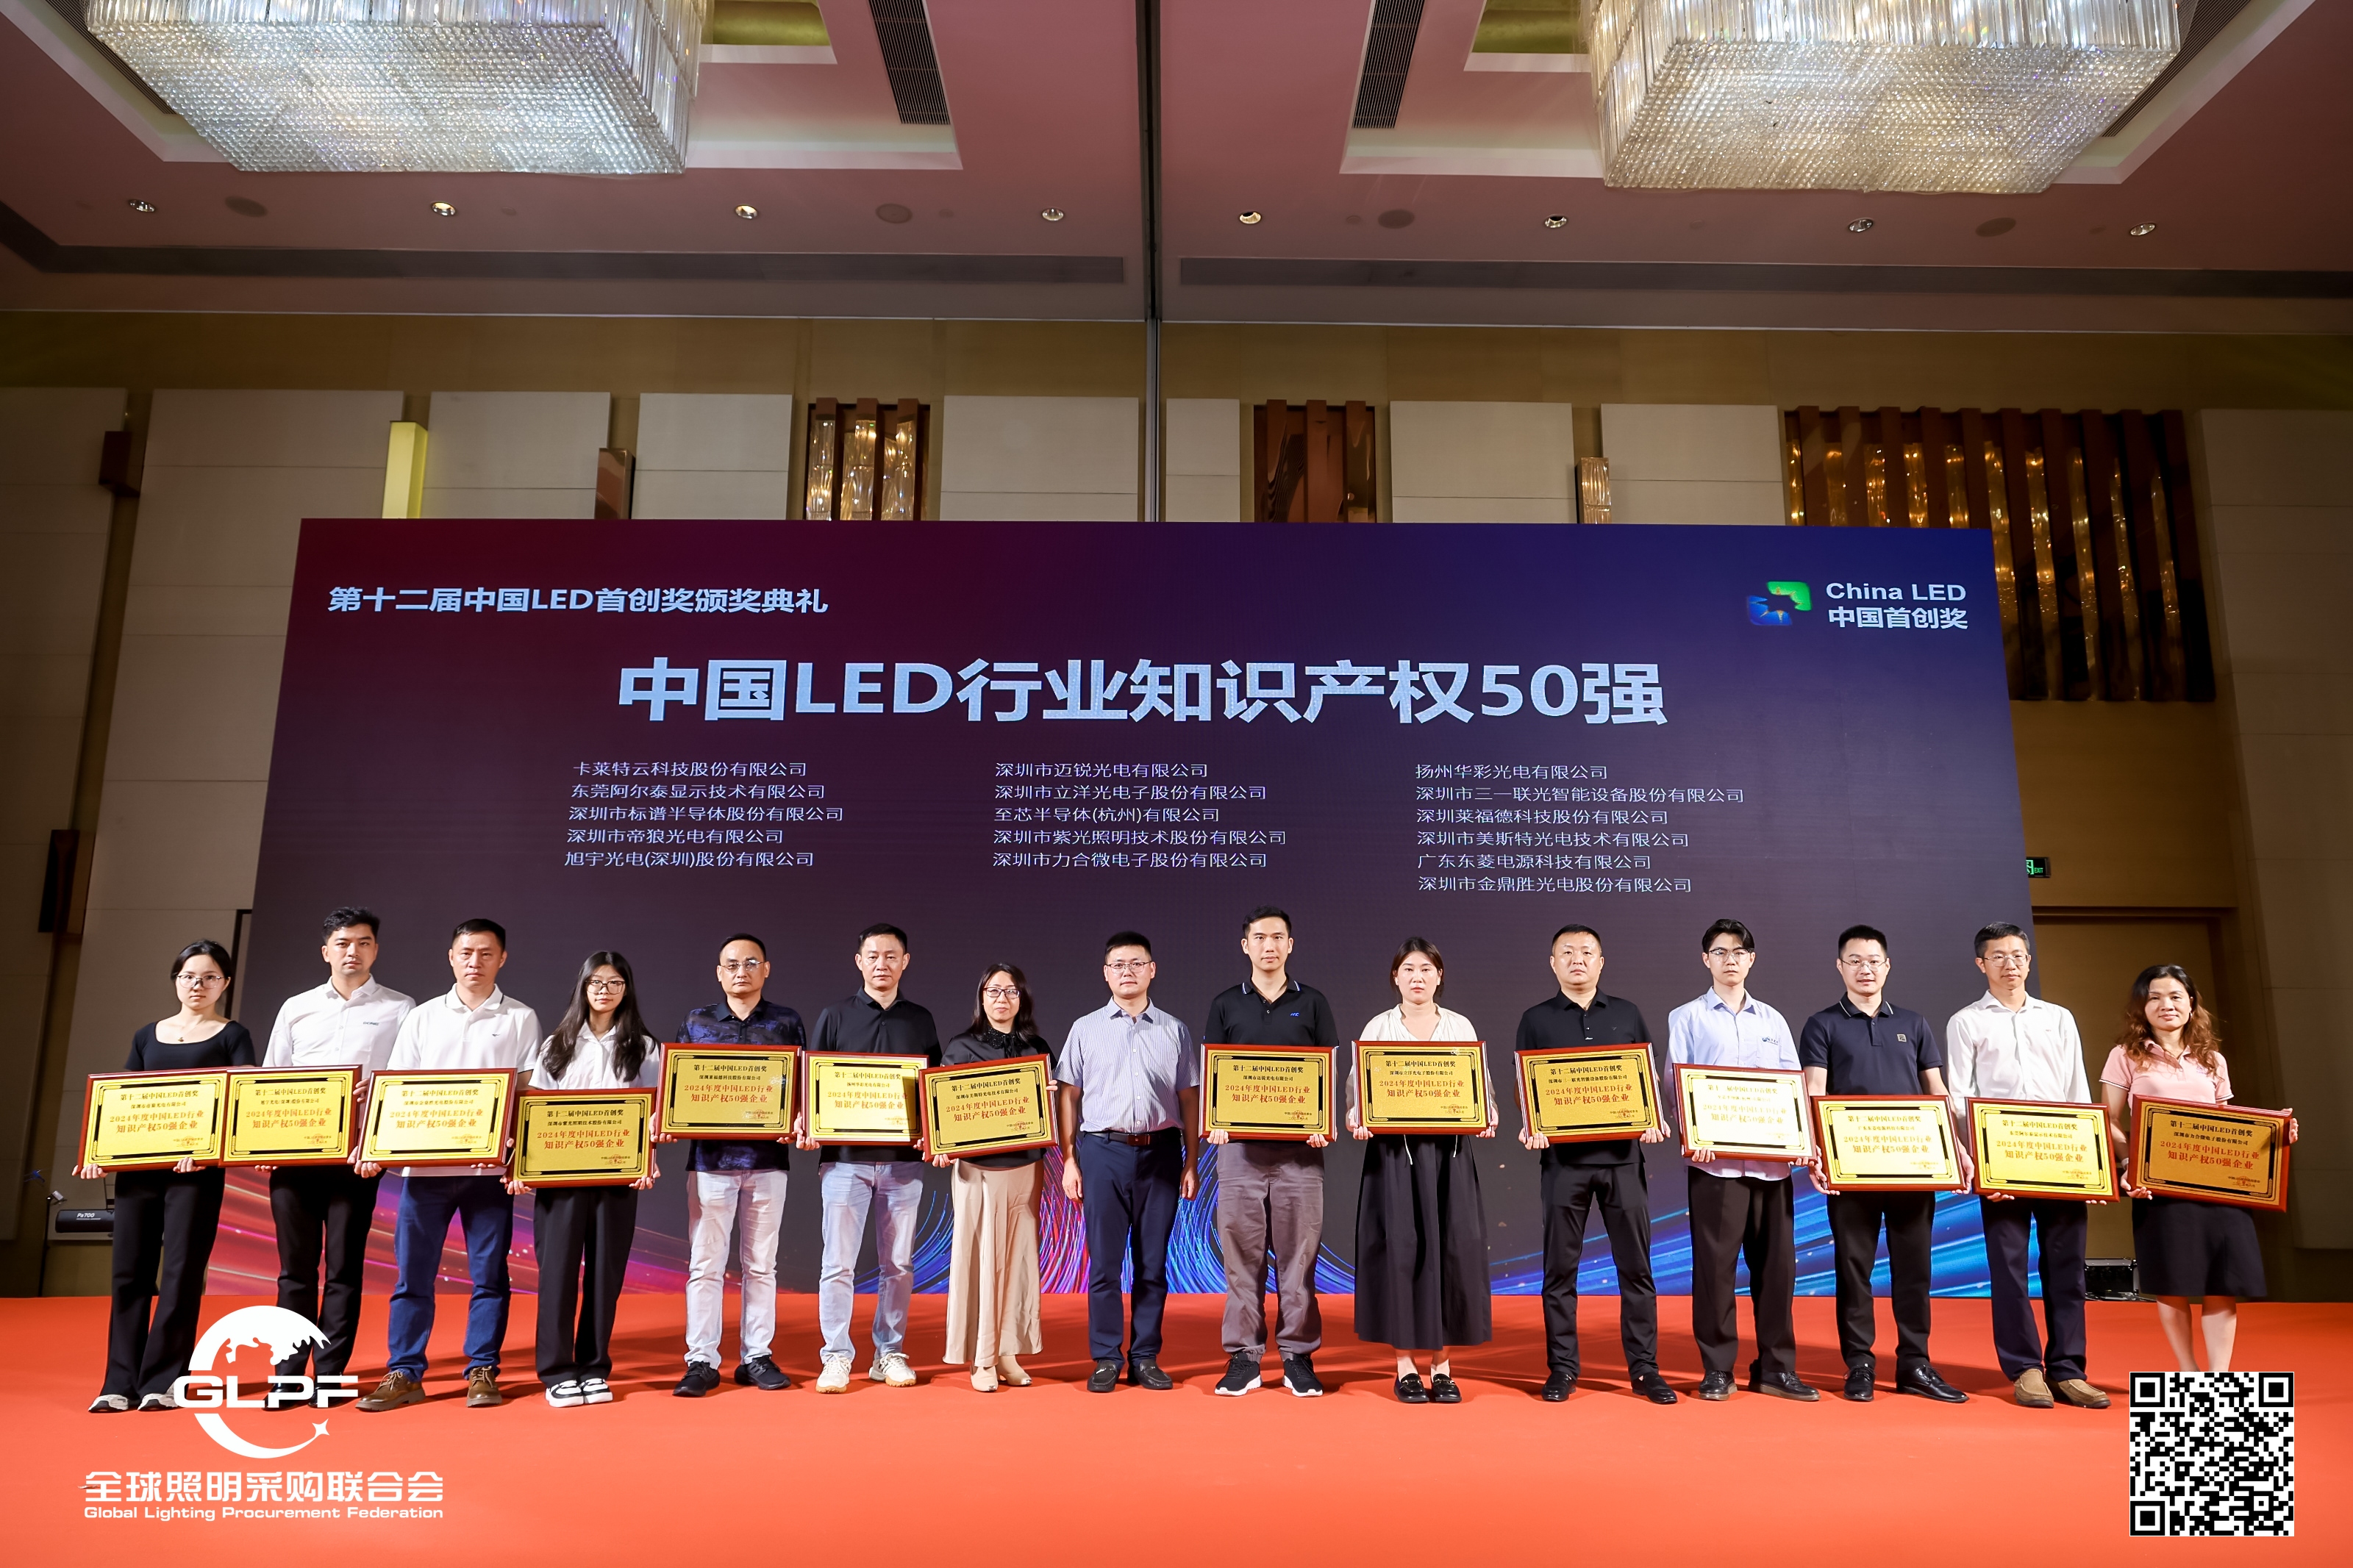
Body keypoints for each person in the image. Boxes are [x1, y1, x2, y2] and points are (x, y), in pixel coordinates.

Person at [356, 919, 540, 1413]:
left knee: (490, 1276)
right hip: (424, 1173)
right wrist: (376, 1148)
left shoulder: (521, 1017)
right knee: (412, 1277)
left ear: (502, 958)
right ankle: (404, 1371)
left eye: (486, 953)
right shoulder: (423, 1016)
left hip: (488, 1174)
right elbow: (395, 1090)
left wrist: (517, 1159)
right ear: (451, 957)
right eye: (466, 953)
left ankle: (482, 1368)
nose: (474, 962)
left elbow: (526, 1093)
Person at [85, 941, 256, 1412]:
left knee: (180, 1273)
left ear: (225, 983)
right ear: (176, 980)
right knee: (129, 1273)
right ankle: (118, 1382)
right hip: (140, 1172)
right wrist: (100, 1153)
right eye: (188, 976)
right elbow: (123, 1102)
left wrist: (207, 1152)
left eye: (209, 977)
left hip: (195, 1173)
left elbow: (243, 1103)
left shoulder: (233, 1036)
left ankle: (164, 1380)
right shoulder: (147, 1036)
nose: (197, 985)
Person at [1799, 924, 1967, 1404]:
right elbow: (1813, 1092)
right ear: (1840, 967)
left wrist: (1956, 1148)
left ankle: (1916, 1363)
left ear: (1887, 966)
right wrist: (1816, 1152)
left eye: (1874, 960)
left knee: (1914, 1269)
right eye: (1855, 960)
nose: (1865, 969)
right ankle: (1860, 1364)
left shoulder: (1914, 1023)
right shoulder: (1822, 1024)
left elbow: (1937, 1091)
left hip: (1914, 1165)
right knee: (1854, 1269)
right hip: (1850, 1167)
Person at [2100, 964, 2297, 1373]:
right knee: (2172, 1283)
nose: (2166, 1005)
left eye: (2175, 996)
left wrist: (2274, 1135)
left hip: (2217, 1187)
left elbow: (2228, 1126)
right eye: (2155, 997)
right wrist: (2129, 1166)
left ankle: (2219, 1377)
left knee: (2222, 1282)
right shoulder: (2125, 1055)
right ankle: (2189, 1374)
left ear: (2191, 1003)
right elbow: (2111, 1121)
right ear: (2142, 1007)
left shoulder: (2213, 1059)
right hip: (2159, 1187)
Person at [1944, 923, 2108, 1410]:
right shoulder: (1966, 1022)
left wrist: (2092, 1166)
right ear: (1982, 964)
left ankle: (2068, 1369)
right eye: (1998, 956)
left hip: (2061, 1159)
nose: (2010, 964)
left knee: (2067, 1268)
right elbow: (1959, 1098)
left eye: (2018, 955)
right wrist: (1980, 1164)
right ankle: (2024, 1368)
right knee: (2010, 1269)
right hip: (2002, 1163)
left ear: (2029, 961)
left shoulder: (2058, 1018)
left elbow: (2077, 1092)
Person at [1514, 925, 1676, 1406]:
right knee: (1559, 1272)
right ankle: (1562, 1368)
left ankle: (1644, 1369)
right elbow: (1528, 1086)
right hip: (1563, 1164)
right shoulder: (1535, 1019)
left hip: (1623, 1160)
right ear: (1553, 962)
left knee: (1637, 1269)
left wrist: (1653, 1118)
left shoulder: (1627, 1013)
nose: (1577, 960)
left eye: (1587, 952)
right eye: (1567, 952)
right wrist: (1532, 1124)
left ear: (1601, 962)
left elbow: (1646, 1078)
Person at [257, 907, 413, 1391]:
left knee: (344, 1270)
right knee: (295, 1272)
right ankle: (287, 1377)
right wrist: (264, 1144)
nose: (353, 951)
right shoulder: (297, 1007)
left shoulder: (400, 1008)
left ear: (376, 950)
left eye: (363, 943)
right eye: (343, 943)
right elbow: (271, 1078)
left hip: (356, 1160)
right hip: (295, 1159)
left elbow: (405, 1083)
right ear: (326, 950)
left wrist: (378, 1100)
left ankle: (329, 1374)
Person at [1665, 919, 1815, 1403]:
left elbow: (1793, 1086)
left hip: (1772, 1167)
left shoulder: (1772, 1020)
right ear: (1705, 959)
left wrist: (1800, 1139)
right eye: (1720, 951)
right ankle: (1717, 1368)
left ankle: (1776, 1368)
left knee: (1778, 1270)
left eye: (1739, 952)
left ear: (1752, 959)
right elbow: (1676, 1083)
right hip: (1716, 1166)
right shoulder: (1687, 1017)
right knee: (1715, 1271)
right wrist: (1694, 1134)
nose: (1730, 959)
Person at [1201, 905, 1340, 1399]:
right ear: (1246, 945)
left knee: (1300, 1259)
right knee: (1242, 1259)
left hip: (1300, 1156)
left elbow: (1327, 1070)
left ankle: (1298, 1355)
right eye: (1260, 937)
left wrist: (1324, 1123)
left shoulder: (1314, 1002)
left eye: (1278, 937)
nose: (1269, 946)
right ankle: (1244, 1357)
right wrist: (1215, 1121)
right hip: (1239, 1154)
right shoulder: (1225, 1004)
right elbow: (1215, 1074)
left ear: (1290, 944)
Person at [513, 952, 662, 1408]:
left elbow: (653, 1113)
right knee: (557, 1273)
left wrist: (647, 1161)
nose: (604, 990)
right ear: (583, 987)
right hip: (560, 1179)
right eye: (596, 982)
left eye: (615, 983)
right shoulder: (556, 1044)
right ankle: (558, 1371)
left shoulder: (644, 1047)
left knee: (605, 1274)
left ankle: (595, 1366)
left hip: (617, 1177)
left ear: (626, 990)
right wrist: (522, 1167)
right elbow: (534, 1113)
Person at [1350, 937, 1493, 1404]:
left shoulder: (1459, 1026)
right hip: (1395, 1158)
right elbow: (1358, 1094)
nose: (1418, 977)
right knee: (1401, 1252)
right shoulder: (1378, 1027)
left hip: (1449, 1158)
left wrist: (1486, 1115)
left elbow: (1480, 1090)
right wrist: (1358, 1117)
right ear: (1396, 977)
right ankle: (1405, 1367)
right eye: (1409, 969)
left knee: (1453, 1251)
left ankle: (1443, 1367)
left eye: (1426, 969)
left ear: (1439, 976)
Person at [1057, 931, 1202, 1394]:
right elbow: (1069, 1095)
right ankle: (1105, 1357)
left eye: (1137, 964)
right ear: (1106, 973)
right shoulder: (1085, 1029)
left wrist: (1192, 1161)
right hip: (1103, 1152)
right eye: (1118, 965)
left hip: (1162, 1153)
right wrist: (1070, 1159)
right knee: (1104, 1265)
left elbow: (1189, 1097)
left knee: (1153, 1264)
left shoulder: (1174, 1030)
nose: (1127, 972)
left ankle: (1145, 1357)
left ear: (1152, 970)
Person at [802, 923, 940, 1393]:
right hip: (845, 1162)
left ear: (905, 962)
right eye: (873, 956)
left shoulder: (920, 1019)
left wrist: (937, 1135)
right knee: (838, 1264)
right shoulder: (835, 1016)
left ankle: (889, 1352)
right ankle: (836, 1356)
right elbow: (814, 1082)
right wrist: (809, 1125)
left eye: (891, 956)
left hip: (903, 1162)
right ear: (859, 962)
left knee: (898, 1265)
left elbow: (934, 1089)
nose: (882, 964)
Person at [671, 933, 804, 1399]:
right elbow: (679, 1087)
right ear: (719, 972)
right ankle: (701, 1361)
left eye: (750, 963)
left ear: (766, 969)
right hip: (710, 1162)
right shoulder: (697, 1021)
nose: (740, 971)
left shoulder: (787, 1022)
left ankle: (756, 1357)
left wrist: (801, 1118)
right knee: (705, 1266)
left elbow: (801, 1085)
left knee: (761, 1266)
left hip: (768, 1161)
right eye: (731, 964)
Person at [932, 965, 1057, 1392]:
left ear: (1023, 998)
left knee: (1018, 1261)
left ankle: (1007, 1351)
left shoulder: (1038, 1048)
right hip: (978, 1172)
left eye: (1011, 991)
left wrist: (1051, 1097)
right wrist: (943, 1140)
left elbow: (1049, 1110)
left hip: (1024, 1168)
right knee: (982, 1260)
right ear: (981, 997)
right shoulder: (961, 1047)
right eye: (993, 990)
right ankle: (982, 1358)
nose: (1002, 998)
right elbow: (944, 1107)